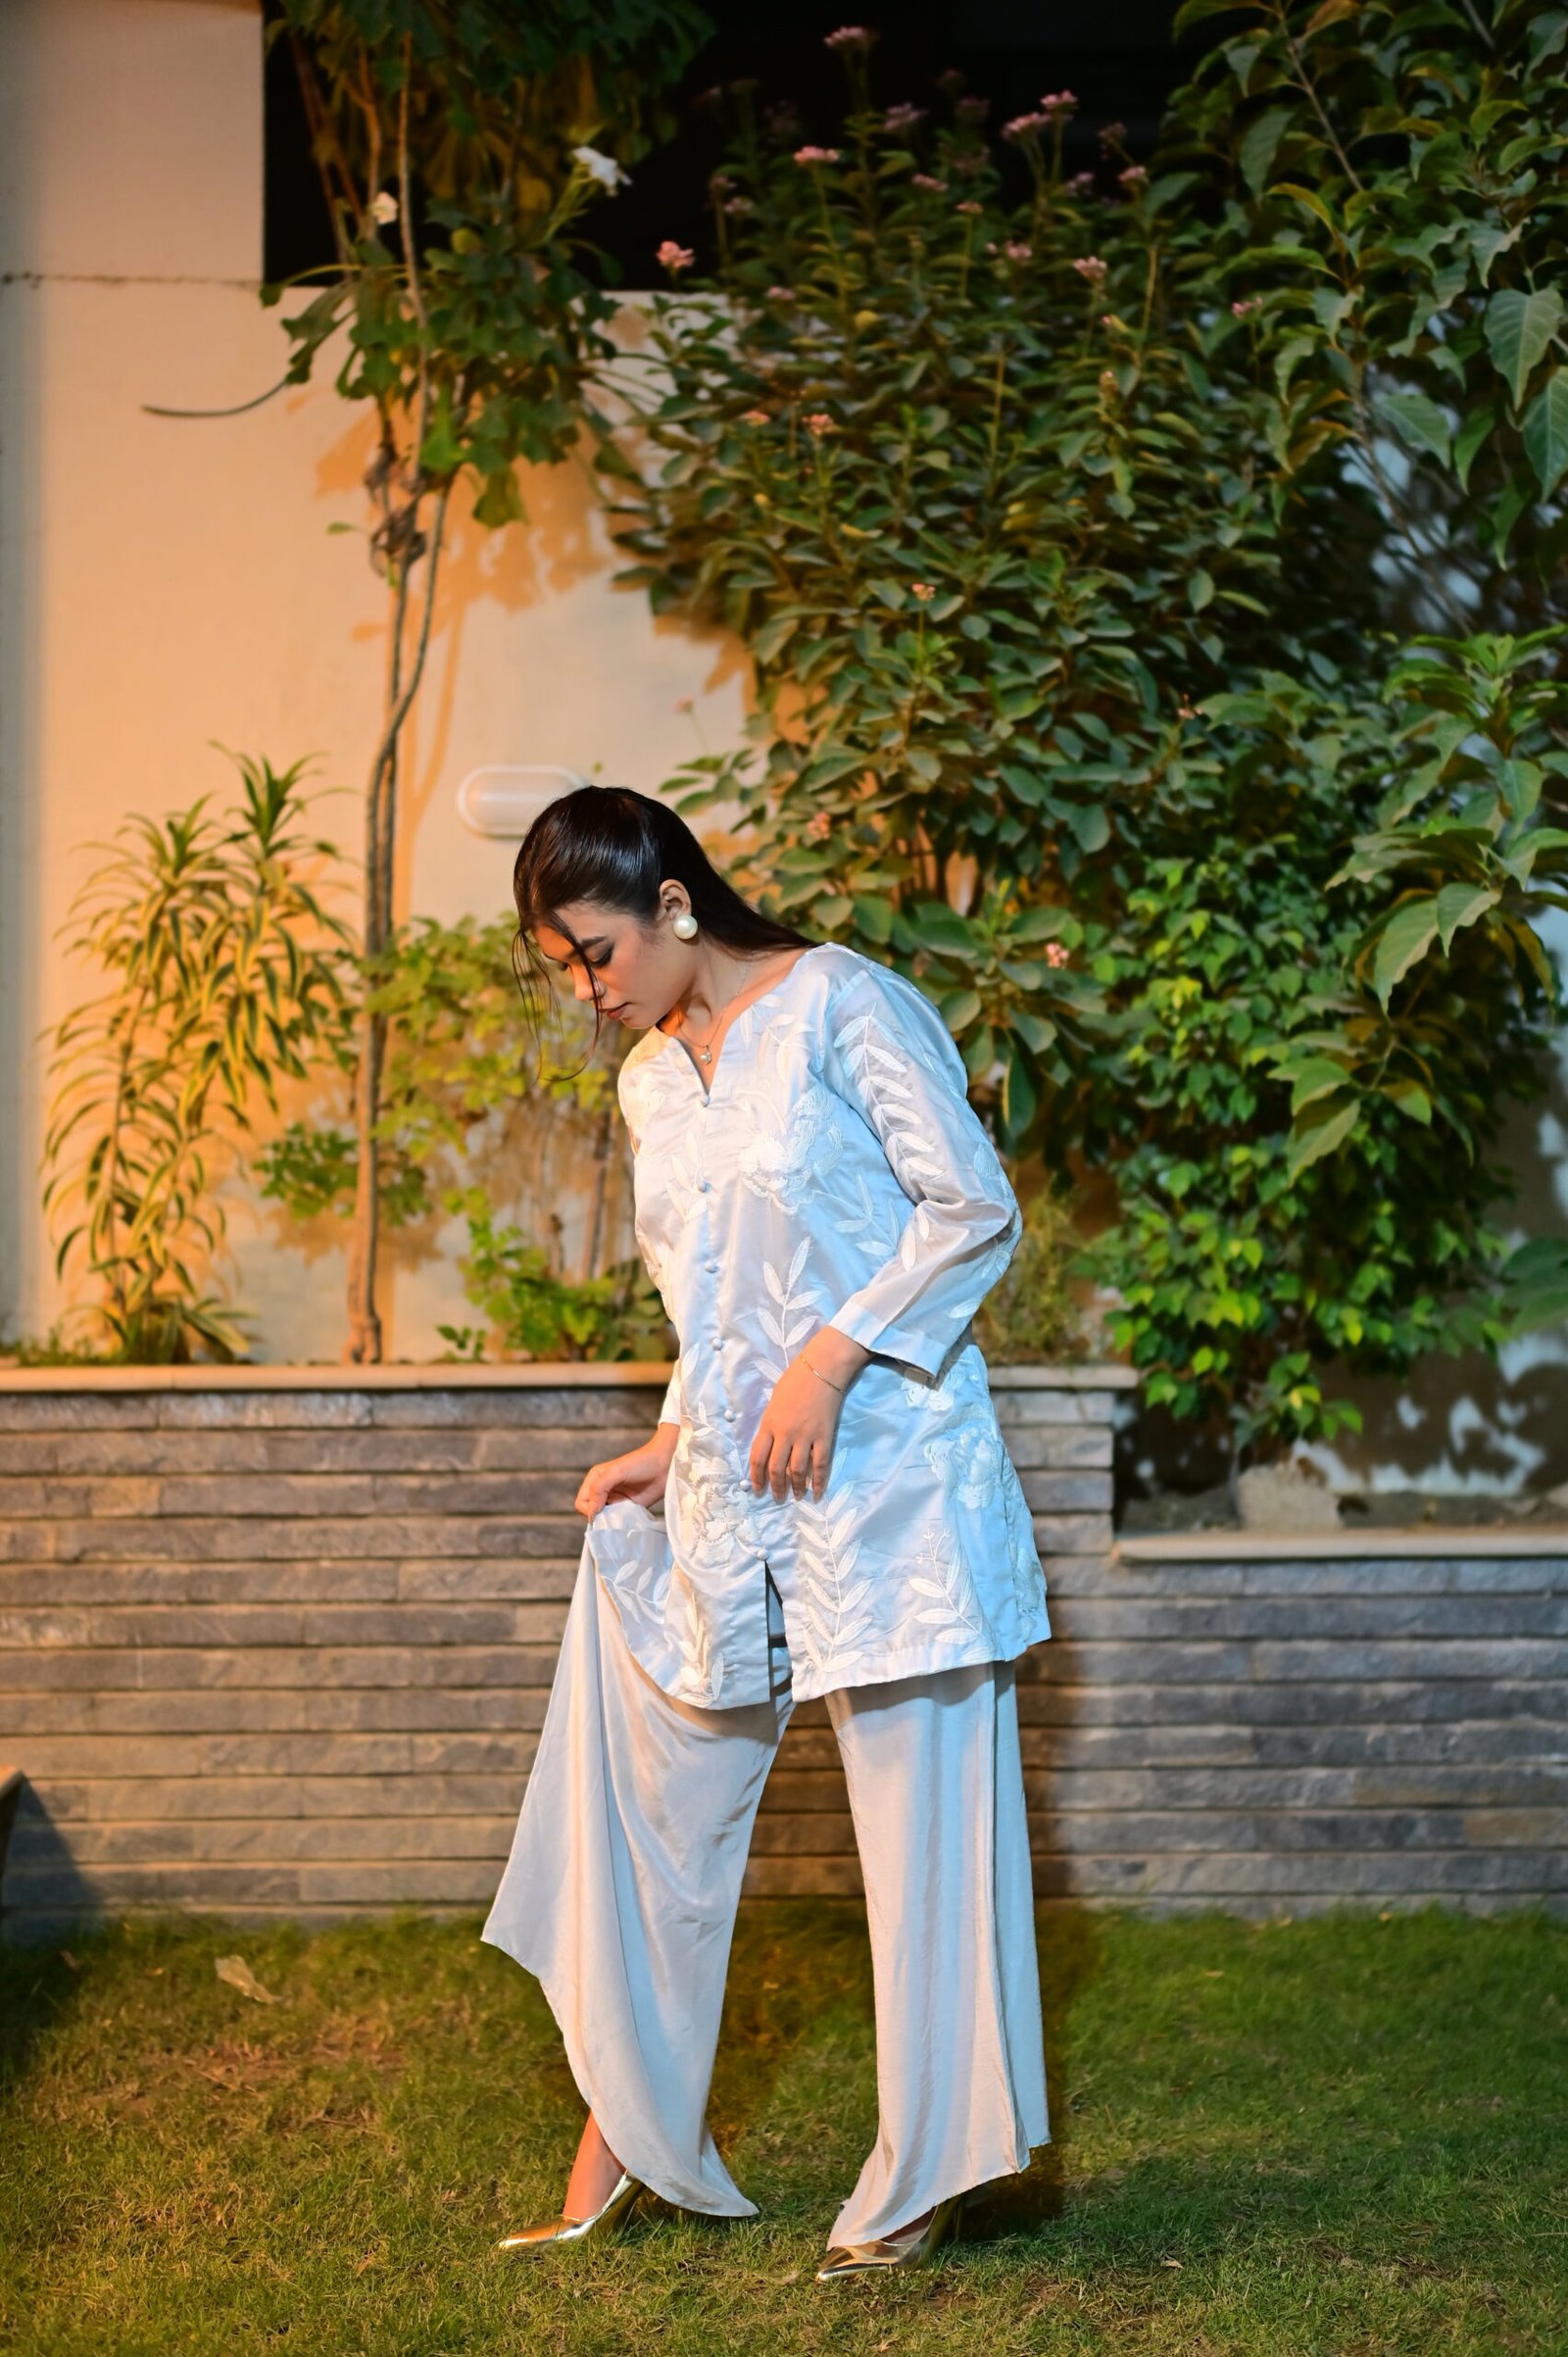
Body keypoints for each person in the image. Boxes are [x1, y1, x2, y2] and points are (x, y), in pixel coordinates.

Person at [482, 785, 1052, 2280]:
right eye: (566, 968)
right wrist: (670, 1440)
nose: (590, 990)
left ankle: (925, 2174)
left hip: (893, 1479)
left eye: (596, 952)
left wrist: (831, 1358)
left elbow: (970, 1206)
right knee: (659, 1788)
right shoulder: (650, 1085)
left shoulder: (845, 1003)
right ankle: (628, 2123)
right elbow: (713, 1297)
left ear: (673, 903)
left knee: (922, 1834)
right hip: (736, 1485)